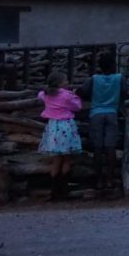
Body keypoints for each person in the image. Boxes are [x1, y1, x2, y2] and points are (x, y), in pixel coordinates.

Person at [79, 52, 127, 193]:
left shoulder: (93, 79)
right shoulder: (119, 78)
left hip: (96, 113)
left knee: (98, 148)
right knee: (110, 146)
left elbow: (82, 92)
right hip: (112, 112)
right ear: (113, 65)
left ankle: (98, 180)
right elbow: (125, 93)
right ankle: (110, 179)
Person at [37, 70, 83, 201]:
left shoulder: (45, 94)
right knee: (67, 158)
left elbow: (39, 94)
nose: (67, 82)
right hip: (66, 126)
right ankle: (64, 189)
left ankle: (53, 190)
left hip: (52, 127)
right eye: (65, 81)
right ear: (60, 84)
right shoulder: (66, 96)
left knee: (56, 159)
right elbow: (77, 107)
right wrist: (75, 96)